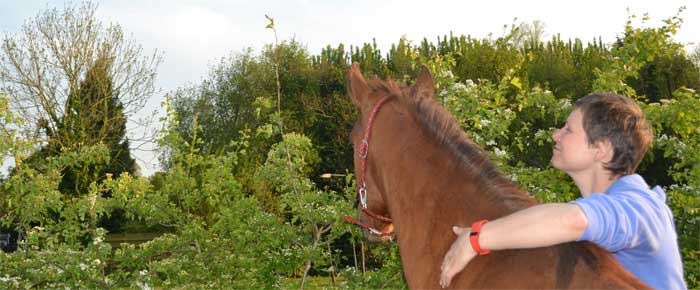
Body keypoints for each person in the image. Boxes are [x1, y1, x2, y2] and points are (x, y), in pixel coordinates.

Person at [439, 93, 686, 289]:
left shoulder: (640, 208)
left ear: (601, 149)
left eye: (568, 130)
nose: (556, 135)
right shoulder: (607, 205)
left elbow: (572, 220)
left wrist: (476, 239)